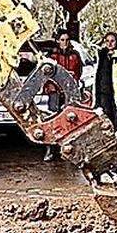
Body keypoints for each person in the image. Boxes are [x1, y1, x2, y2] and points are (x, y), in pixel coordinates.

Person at [44, 28, 84, 161]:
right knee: (52, 118)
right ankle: (50, 150)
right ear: (58, 41)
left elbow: (78, 72)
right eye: (62, 40)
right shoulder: (52, 56)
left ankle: (67, 150)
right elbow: (46, 73)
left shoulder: (75, 55)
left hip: (68, 92)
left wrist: (73, 77)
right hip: (55, 91)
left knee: (69, 120)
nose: (65, 43)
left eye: (67, 40)